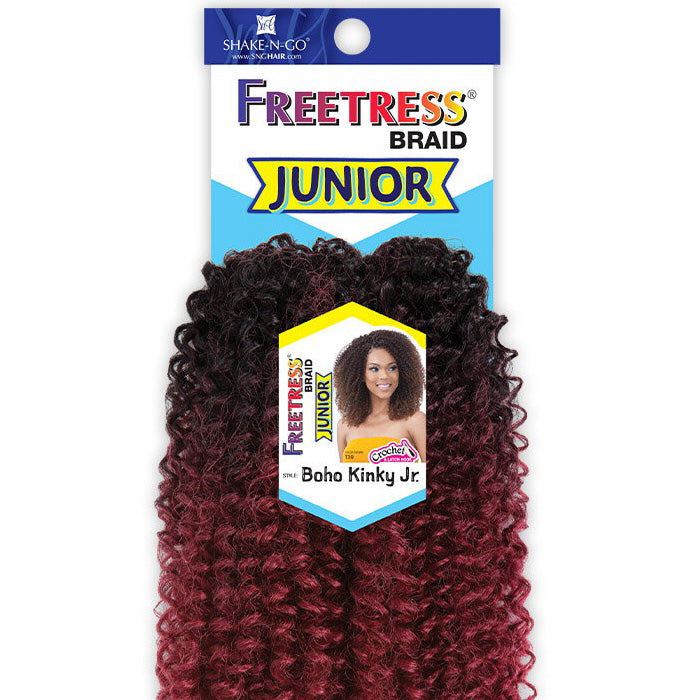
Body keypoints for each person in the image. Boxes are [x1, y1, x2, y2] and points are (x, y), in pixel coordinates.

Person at [334, 329, 426, 463]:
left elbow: (433, 474)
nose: (384, 376)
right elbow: (344, 476)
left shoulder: (416, 421)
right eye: (374, 369)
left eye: (392, 368)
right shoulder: (344, 426)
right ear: (360, 374)